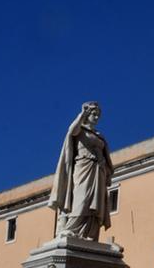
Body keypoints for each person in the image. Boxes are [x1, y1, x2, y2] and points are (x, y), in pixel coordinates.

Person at [49, 101, 114, 240]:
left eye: (98, 115)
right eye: (94, 114)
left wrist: (106, 170)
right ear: (87, 114)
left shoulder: (99, 135)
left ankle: (89, 233)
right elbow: (71, 131)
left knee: (95, 203)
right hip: (83, 168)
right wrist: (81, 115)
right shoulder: (80, 130)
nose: (96, 117)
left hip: (98, 170)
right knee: (81, 199)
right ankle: (71, 228)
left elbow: (105, 156)